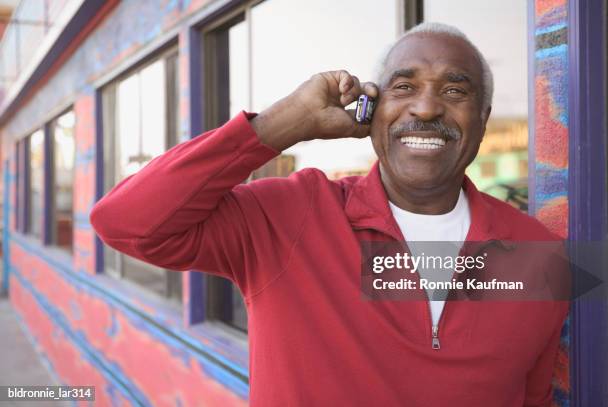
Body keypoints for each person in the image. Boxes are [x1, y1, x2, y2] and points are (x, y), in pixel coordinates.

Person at [90, 22, 568, 407]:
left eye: (455, 91)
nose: (425, 107)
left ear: (482, 118)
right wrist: (290, 120)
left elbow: (534, 398)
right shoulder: (288, 215)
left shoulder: (538, 254)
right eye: (403, 87)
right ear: (373, 111)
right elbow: (125, 222)